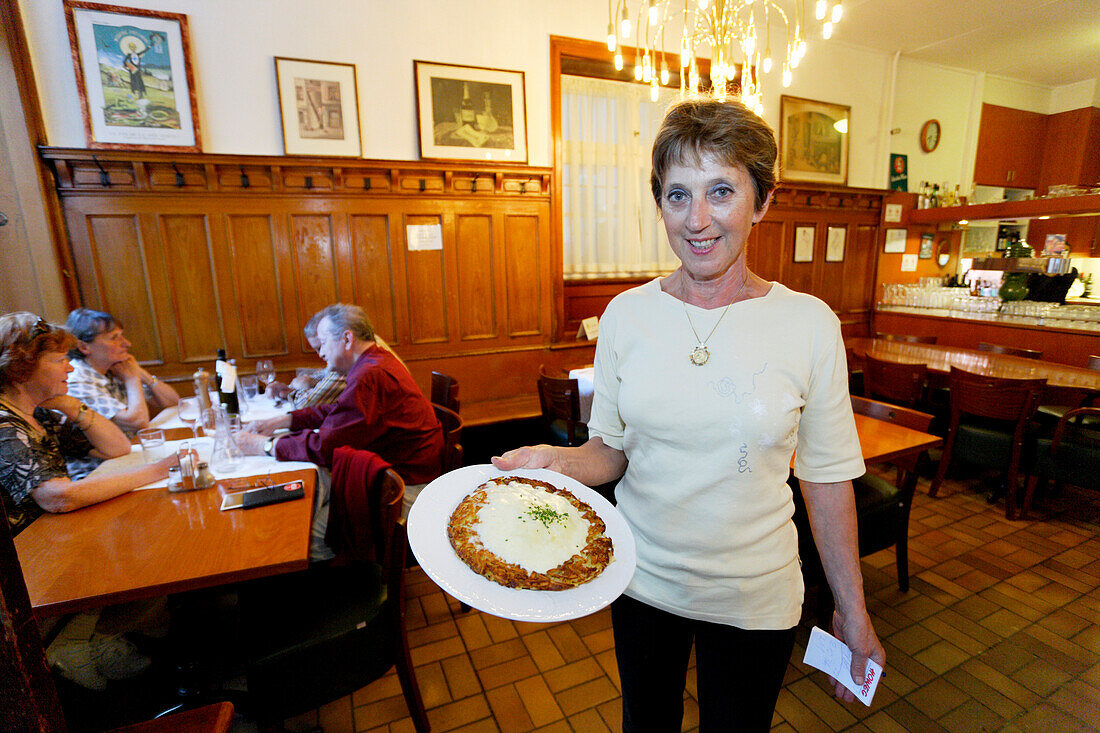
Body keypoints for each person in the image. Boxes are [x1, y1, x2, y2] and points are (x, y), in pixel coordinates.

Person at [493, 98, 885, 731]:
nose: (697, 220)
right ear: (662, 207)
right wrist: (553, 460)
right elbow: (610, 453)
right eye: (678, 195)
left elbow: (826, 477)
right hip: (642, 584)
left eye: (721, 191)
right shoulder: (627, 316)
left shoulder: (809, 324)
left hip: (757, 596)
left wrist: (852, 609)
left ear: (761, 201)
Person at [0, 312, 184, 690]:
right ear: (21, 369)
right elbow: (57, 496)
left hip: (53, 540)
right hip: (24, 565)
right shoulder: (4, 425)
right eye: (58, 360)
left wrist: (72, 406)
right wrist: (157, 471)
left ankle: (84, 642)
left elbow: (116, 447)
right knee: (150, 560)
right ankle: (70, 651)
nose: (70, 366)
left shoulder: (38, 414)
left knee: (155, 560)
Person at [239, 304, 443, 548]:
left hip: (405, 490)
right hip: (400, 474)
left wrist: (266, 445)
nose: (321, 353)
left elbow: (325, 447)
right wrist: (287, 419)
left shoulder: (371, 374)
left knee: (296, 539)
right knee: (308, 493)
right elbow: (341, 411)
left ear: (347, 338)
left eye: (323, 343)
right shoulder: (374, 361)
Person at [65, 308, 179, 479]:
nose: (127, 343)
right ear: (83, 347)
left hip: (127, 459)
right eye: (114, 338)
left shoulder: (115, 367)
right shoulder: (76, 381)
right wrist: (132, 379)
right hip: (95, 474)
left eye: (121, 335)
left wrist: (141, 373)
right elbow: (136, 421)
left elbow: (173, 402)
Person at [265, 311, 348, 409]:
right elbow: (322, 375)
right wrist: (294, 386)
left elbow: (304, 405)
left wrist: (290, 392)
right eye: (316, 349)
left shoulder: (346, 364)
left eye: (323, 344)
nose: (321, 354)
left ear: (345, 338)